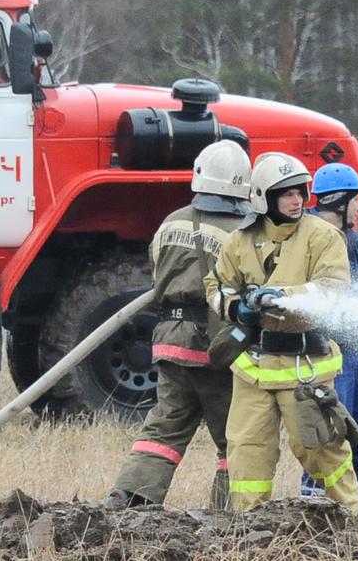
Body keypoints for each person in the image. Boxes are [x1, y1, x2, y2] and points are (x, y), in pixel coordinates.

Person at [104, 141, 257, 510]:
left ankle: (127, 497)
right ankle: (229, 516)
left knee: (164, 428)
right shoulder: (240, 231)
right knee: (233, 435)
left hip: (169, 341)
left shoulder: (171, 222)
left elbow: (157, 272)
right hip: (215, 346)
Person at [205, 152, 358, 513]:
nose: (297, 201)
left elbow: (332, 288)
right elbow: (216, 285)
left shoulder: (323, 237)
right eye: (286, 194)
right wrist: (235, 307)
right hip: (253, 367)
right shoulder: (239, 240)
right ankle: (249, 527)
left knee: (320, 447)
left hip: (304, 366)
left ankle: (351, 518)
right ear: (263, 197)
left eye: (300, 192)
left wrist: (282, 297)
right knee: (246, 449)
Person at [301, 162, 358, 498]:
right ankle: (314, 507)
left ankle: (351, 504)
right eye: (356, 199)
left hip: (353, 351)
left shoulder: (353, 239)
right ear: (338, 201)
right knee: (330, 437)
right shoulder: (309, 239)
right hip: (327, 353)